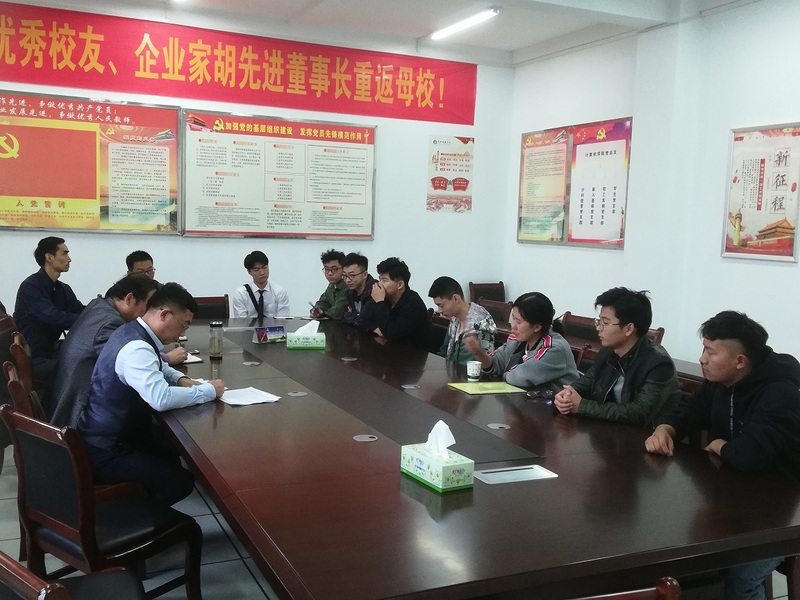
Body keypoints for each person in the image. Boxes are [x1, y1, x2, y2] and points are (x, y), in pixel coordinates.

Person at [645, 311, 800, 600]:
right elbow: (689, 409)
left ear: (740, 361)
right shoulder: (720, 381)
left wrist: (718, 445)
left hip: (780, 512)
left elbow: (751, 455)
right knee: (668, 549)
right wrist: (666, 429)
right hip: (732, 497)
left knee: (741, 573)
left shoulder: (780, 392)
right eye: (703, 349)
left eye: (710, 352)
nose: (702, 359)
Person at [77, 283, 224, 505]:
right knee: (181, 480)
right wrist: (208, 391)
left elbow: (157, 365)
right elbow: (161, 399)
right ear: (164, 314)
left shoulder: (131, 331)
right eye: (183, 325)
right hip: (107, 450)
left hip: (104, 437)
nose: (183, 333)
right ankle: (133, 515)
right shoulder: (137, 347)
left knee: (171, 452)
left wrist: (181, 379)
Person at [554, 287, 682, 426]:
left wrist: (582, 406)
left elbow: (639, 413)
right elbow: (586, 382)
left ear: (629, 329)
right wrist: (566, 396)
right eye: (599, 321)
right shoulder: (607, 352)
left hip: (645, 435)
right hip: (608, 429)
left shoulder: (658, 364)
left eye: (605, 323)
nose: (598, 328)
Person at [49, 274, 160, 428]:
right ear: (130, 299)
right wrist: (166, 358)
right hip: (77, 416)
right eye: (149, 306)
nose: (151, 312)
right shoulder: (111, 323)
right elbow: (129, 362)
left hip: (63, 398)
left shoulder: (99, 305)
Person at [13, 237, 85, 411]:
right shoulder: (30, 287)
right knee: (83, 369)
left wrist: (100, 312)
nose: (69, 259)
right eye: (64, 253)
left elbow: (80, 310)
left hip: (51, 354)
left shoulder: (63, 289)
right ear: (49, 257)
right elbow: (53, 317)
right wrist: (88, 321)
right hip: (34, 360)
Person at [464, 292, 578, 391]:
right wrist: (478, 352)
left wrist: (507, 374)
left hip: (554, 407)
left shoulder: (554, 348)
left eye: (518, 322)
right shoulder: (517, 339)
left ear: (537, 327)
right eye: (513, 319)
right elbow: (496, 364)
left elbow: (522, 377)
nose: (513, 326)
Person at [428, 276, 495, 364]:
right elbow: (444, 351)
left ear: (455, 298)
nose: (440, 310)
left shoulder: (479, 325)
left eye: (441, 305)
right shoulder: (455, 318)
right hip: (452, 370)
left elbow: (466, 365)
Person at [369, 257, 429, 348]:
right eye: (379, 279)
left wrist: (379, 302)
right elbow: (364, 320)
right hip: (389, 350)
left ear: (400, 284)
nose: (379, 284)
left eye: (384, 280)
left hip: (411, 354)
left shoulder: (413, 305)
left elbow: (391, 334)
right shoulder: (386, 298)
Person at [232, 251, 290, 320]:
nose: (262, 273)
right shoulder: (240, 294)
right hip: (249, 327)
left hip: (274, 327)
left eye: (265, 268)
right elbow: (241, 321)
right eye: (257, 270)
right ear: (249, 272)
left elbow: (282, 320)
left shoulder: (279, 292)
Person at [341, 252, 378, 330]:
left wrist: (354, 316)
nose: (347, 280)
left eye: (352, 275)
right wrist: (357, 317)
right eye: (344, 275)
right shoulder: (349, 292)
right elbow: (343, 315)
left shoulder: (375, 291)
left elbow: (366, 321)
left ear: (364, 274)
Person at [310, 249, 348, 320]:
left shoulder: (348, 285)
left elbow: (336, 313)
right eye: (326, 269)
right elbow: (323, 302)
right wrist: (317, 310)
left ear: (344, 269)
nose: (330, 273)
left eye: (334, 269)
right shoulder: (332, 285)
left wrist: (322, 313)